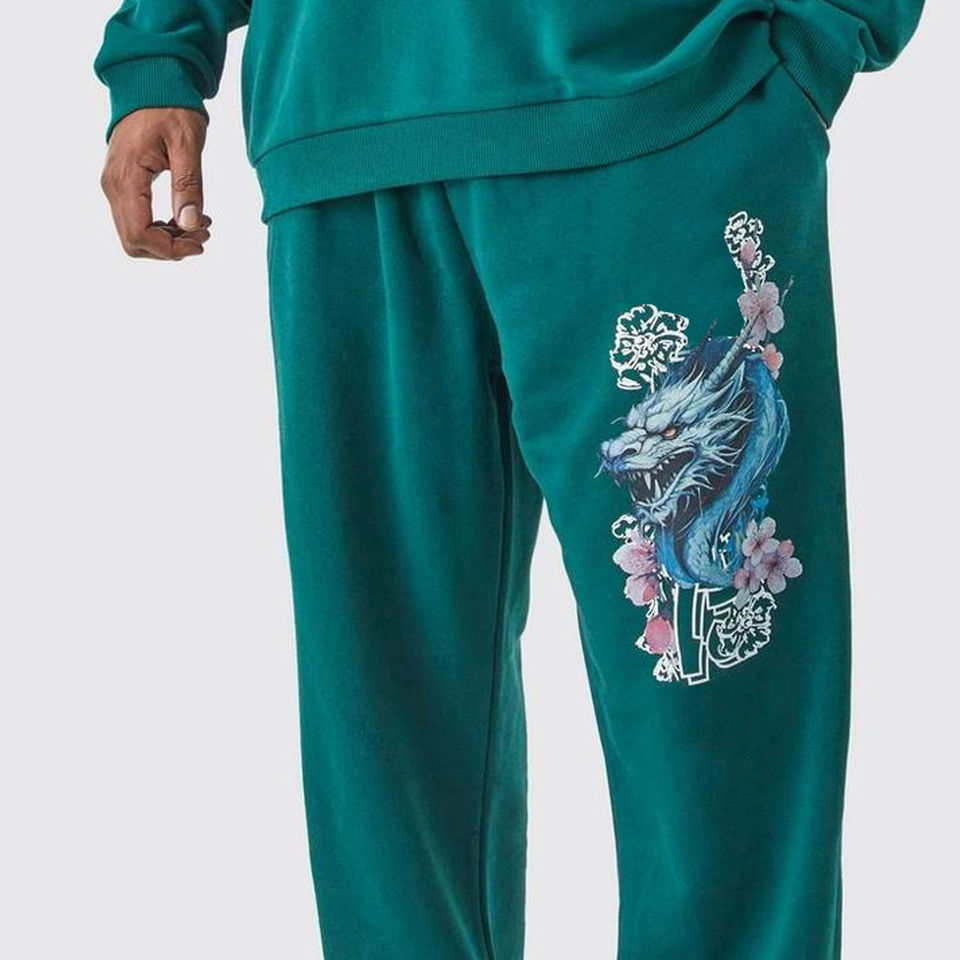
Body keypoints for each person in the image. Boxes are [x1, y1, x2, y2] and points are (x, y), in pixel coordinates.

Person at [95, 3, 924, 957]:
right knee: (380, 726)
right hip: (341, 127)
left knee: (713, 717)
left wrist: (819, 38)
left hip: (660, 112)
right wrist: (163, 40)